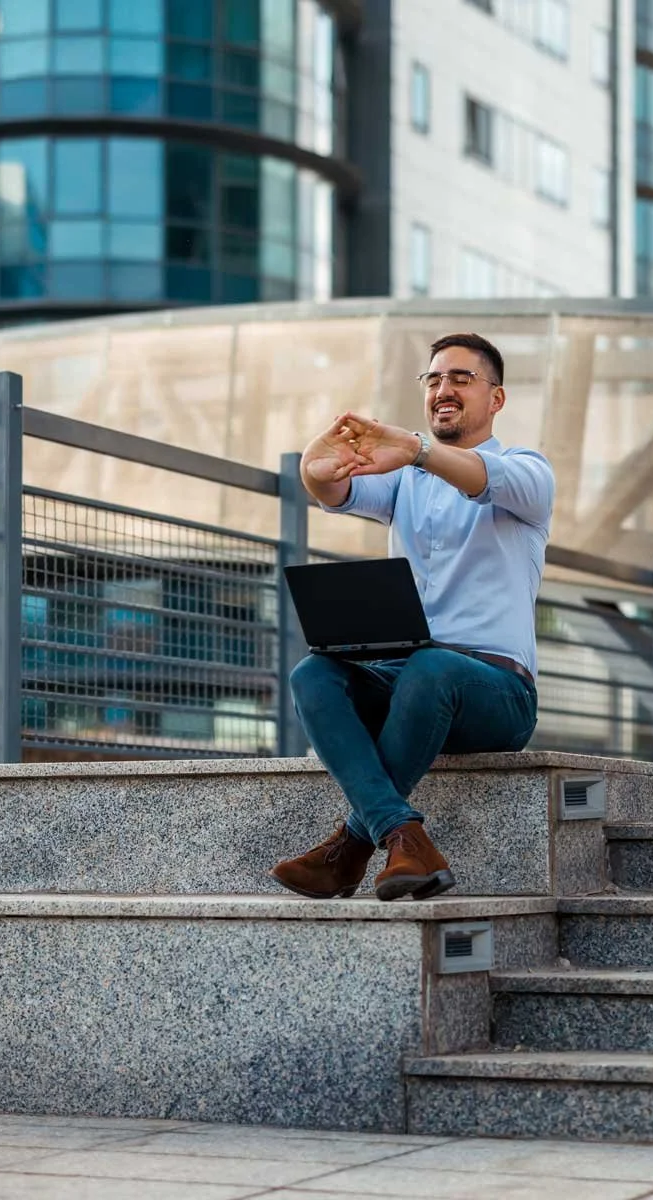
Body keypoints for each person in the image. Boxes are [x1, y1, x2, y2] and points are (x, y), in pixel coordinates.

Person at [270, 332, 555, 901]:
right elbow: (334, 487)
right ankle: (401, 834)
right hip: (413, 683)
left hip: (498, 695)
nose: (442, 389)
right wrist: (313, 466)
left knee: (433, 666)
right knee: (315, 675)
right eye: (433, 380)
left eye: (460, 379)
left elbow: (480, 478)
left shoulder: (527, 470)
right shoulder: (405, 480)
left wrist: (418, 448)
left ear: (495, 399)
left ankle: (349, 846)